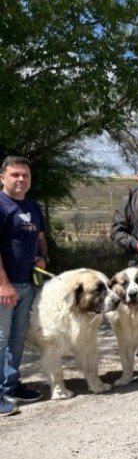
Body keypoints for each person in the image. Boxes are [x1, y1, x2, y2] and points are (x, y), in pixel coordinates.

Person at [0, 156, 47, 415]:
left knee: (17, 339)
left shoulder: (33, 207)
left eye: (25, 175)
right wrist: (3, 284)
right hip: (4, 286)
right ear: (2, 178)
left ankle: (10, 385)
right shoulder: (1, 205)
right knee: (0, 339)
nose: (21, 179)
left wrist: (43, 257)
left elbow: (40, 238)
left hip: (27, 283)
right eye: (15, 174)